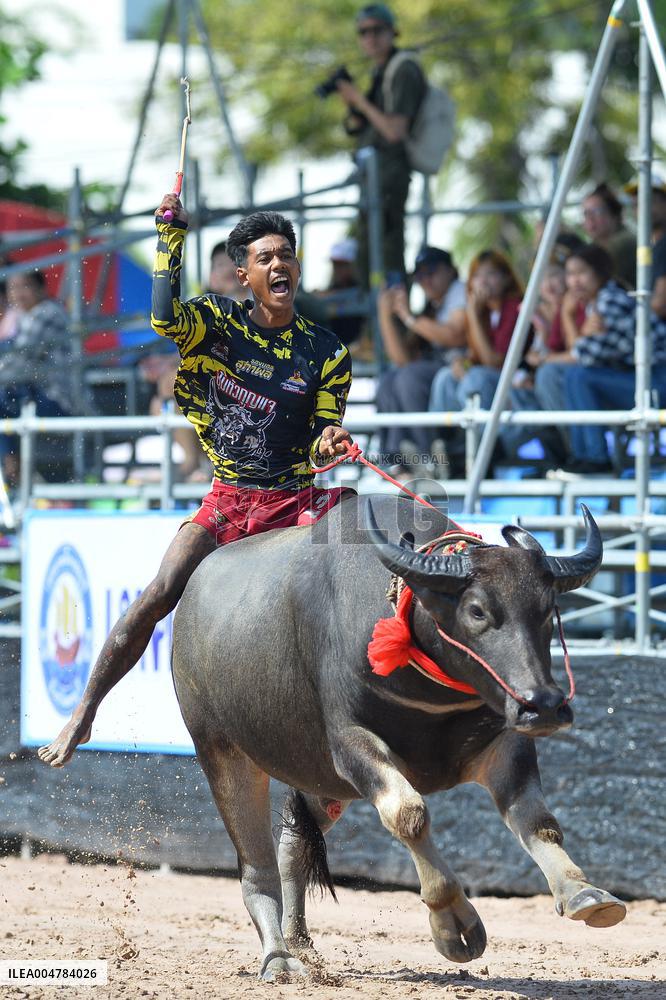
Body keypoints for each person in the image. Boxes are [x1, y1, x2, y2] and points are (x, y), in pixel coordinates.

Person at [38, 195, 353, 768]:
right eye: (266, 258)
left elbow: (322, 432)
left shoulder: (327, 352)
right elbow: (162, 317)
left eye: (287, 255)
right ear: (245, 274)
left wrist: (329, 442)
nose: (279, 264)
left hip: (296, 500)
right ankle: (85, 711)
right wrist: (170, 238)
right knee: (158, 595)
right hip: (229, 501)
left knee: (362, 561)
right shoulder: (217, 321)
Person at [548, 243, 666, 476]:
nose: (575, 281)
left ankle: (595, 458)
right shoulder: (597, 301)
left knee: (578, 376)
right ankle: (582, 456)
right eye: (570, 274)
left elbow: (585, 356)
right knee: (573, 376)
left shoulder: (610, 299)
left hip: (656, 382)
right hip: (637, 379)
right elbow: (585, 352)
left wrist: (568, 323)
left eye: (581, 272)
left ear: (600, 272)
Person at [141, 239, 248, 481]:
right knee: (162, 401)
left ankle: (200, 465)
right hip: (216, 390)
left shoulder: (261, 307)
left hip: (250, 388)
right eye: (220, 265)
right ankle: (199, 464)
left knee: (173, 385)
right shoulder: (205, 309)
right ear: (211, 276)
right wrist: (169, 362)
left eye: (233, 263)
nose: (228, 270)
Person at [335, 3, 426, 287]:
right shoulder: (381, 71)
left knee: (386, 253)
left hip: (389, 173)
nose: (370, 38)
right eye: (363, 32)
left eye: (377, 30)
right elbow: (366, 126)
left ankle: (392, 320)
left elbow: (395, 131)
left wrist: (358, 100)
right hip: (373, 173)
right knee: (368, 252)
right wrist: (351, 103)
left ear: (392, 32)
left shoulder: (403, 69)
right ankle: (377, 317)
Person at [428, 249, 524, 474]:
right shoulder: (485, 310)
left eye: (490, 274)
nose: (483, 282)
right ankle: (444, 449)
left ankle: (475, 453)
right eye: (477, 276)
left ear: (506, 277)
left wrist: (471, 313)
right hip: (490, 376)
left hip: (515, 382)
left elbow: (494, 361)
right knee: (446, 376)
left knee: (476, 377)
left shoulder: (514, 307)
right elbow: (477, 356)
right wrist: (463, 362)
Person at [374, 246, 466, 470]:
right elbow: (402, 359)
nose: (425, 280)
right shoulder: (432, 307)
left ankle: (427, 458)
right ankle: (395, 460)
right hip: (441, 373)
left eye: (431, 271)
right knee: (389, 380)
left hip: (463, 370)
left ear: (450, 271)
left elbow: (454, 335)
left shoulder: (459, 291)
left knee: (409, 377)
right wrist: (384, 315)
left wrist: (407, 316)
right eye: (420, 275)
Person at [0, 268, 73, 486]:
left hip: (59, 402)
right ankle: (11, 462)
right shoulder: (26, 317)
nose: (18, 294)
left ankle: (11, 463)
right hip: (35, 397)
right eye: (13, 288)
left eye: (25, 286)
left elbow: (18, 362)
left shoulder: (46, 313)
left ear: (41, 288)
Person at [581, 182, 636, 289]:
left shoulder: (624, 241)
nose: (590, 218)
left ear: (614, 215)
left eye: (597, 212)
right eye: (586, 213)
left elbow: (593, 284)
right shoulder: (597, 244)